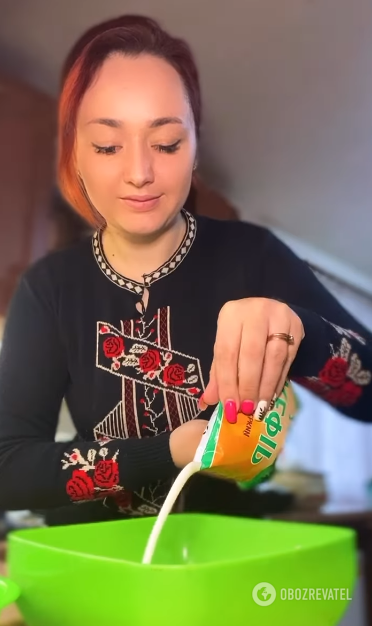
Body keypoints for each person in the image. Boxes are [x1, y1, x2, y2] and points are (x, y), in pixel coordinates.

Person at [0, 14, 371, 523]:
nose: (139, 173)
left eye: (167, 143)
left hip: (221, 574)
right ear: (76, 156)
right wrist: (172, 448)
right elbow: (9, 468)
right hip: (92, 575)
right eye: (108, 146)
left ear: (195, 149)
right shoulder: (49, 288)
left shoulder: (253, 255)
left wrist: (302, 331)